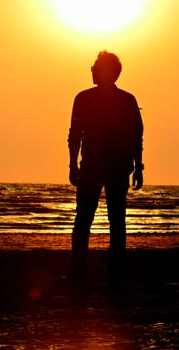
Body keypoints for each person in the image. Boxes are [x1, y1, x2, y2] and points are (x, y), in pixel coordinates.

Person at [68, 50, 144, 286]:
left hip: (116, 167)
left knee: (114, 219)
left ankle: (114, 271)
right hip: (92, 165)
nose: (93, 70)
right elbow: (75, 135)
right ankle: (80, 269)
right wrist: (72, 165)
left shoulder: (126, 100)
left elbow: (136, 135)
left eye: (97, 67)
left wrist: (138, 166)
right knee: (85, 218)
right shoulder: (83, 98)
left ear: (110, 72)